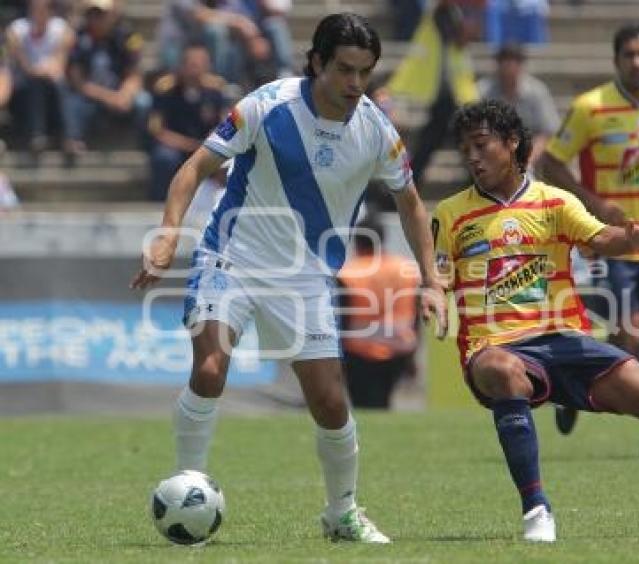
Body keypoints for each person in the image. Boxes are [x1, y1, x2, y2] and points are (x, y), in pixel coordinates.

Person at [130, 13, 446, 544]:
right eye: (344, 69)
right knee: (210, 369)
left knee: (329, 401)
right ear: (317, 62)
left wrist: (432, 279)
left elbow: (411, 205)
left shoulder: (376, 129)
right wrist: (168, 232)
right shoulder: (266, 105)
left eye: (364, 72)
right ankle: (188, 482)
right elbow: (193, 169)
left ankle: (341, 514)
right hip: (232, 256)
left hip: (304, 278)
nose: (354, 84)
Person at [432, 99, 639, 542]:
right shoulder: (452, 212)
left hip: (565, 340)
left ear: (512, 144)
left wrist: (627, 238)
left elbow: (599, 236)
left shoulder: (553, 202)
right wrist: (432, 295)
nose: (472, 157)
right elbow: (437, 274)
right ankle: (537, 511)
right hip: (493, 346)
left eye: (480, 145)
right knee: (503, 371)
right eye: (465, 149)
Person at [539, 24, 639, 455]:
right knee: (629, 338)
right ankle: (574, 386)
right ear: (616, 60)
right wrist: (595, 206)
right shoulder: (590, 107)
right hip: (615, 241)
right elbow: (551, 163)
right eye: (630, 55)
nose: (638, 62)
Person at [387, 0, 478, 189]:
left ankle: (408, 185)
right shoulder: (440, 13)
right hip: (444, 94)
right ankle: (409, 185)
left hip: (452, 94)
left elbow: (461, 41)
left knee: (437, 143)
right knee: (438, 144)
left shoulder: (453, 14)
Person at [337, 216, 421, 408]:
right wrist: (412, 351)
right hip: (399, 349)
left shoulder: (348, 272)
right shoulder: (404, 269)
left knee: (364, 406)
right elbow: (415, 315)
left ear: (356, 240)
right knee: (383, 402)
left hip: (359, 352)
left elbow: (342, 318)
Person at [62, 0, 147, 162]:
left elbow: (134, 74)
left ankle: (141, 144)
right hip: (91, 96)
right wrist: (108, 97)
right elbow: (77, 81)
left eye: (100, 14)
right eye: (91, 14)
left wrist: (124, 94)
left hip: (120, 95)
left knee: (143, 101)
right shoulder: (78, 38)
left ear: (111, 15)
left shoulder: (127, 36)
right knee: (72, 102)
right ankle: (73, 140)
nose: (96, 19)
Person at [147, 44, 227, 201]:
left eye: (201, 64)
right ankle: (161, 203)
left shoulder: (215, 89)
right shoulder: (166, 89)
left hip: (206, 147)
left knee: (229, 159)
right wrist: (191, 145)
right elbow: (158, 131)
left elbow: (224, 123)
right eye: (192, 64)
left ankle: (221, 204)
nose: (196, 69)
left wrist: (212, 141)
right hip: (176, 146)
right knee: (164, 158)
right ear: (182, 65)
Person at [476, 42, 560, 172]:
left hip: (529, 154)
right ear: (497, 65)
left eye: (514, 61)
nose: (509, 67)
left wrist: (528, 161)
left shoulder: (537, 91)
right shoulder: (482, 91)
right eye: (505, 61)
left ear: (521, 65)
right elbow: (475, 131)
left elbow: (547, 132)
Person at [5, 0, 74, 154]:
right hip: (24, 92)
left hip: (53, 88)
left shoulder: (62, 28)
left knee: (59, 85)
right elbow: (25, 65)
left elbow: (60, 62)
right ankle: (37, 135)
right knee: (36, 83)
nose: (39, 10)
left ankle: (68, 137)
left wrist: (48, 70)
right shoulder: (17, 29)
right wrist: (38, 71)